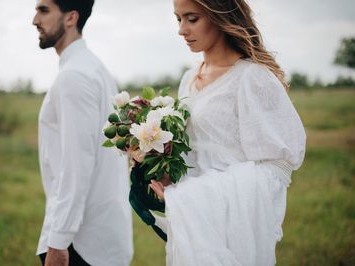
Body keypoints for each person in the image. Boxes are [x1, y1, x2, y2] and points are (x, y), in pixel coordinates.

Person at [149, 0, 306, 265]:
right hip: (192, 223)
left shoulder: (252, 78)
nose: (182, 30)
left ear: (219, 15)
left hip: (232, 225)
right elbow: (196, 153)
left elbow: (277, 168)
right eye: (178, 19)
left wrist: (194, 196)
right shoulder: (189, 78)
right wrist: (163, 172)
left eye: (192, 18)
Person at [32, 0, 133, 265]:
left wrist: (58, 241)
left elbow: (75, 165)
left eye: (43, 10)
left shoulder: (75, 76)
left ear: (70, 17)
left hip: (81, 244)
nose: (35, 20)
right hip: (100, 235)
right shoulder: (93, 69)